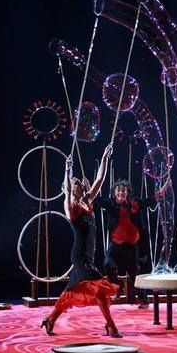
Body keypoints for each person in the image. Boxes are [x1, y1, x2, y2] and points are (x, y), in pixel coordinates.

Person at [40, 143, 122, 337]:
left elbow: (100, 180)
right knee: (100, 288)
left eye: (78, 182)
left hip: (88, 256)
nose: (79, 184)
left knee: (71, 292)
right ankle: (111, 326)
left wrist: (105, 157)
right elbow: (68, 191)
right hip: (80, 257)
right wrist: (67, 170)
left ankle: (50, 320)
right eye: (75, 183)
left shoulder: (87, 201)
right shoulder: (71, 207)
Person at [97, 178, 171, 308]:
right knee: (108, 264)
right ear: (114, 193)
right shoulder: (110, 204)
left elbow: (151, 200)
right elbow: (96, 200)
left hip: (131, 246)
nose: (121, 192)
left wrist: (164, 188)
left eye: (123, 190)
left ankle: (144, 301)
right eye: (119, 190)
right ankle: (117, 287)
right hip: (115, 244)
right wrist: (87, 189)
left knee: (134, 275)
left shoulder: (134, 203)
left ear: (127, 193)